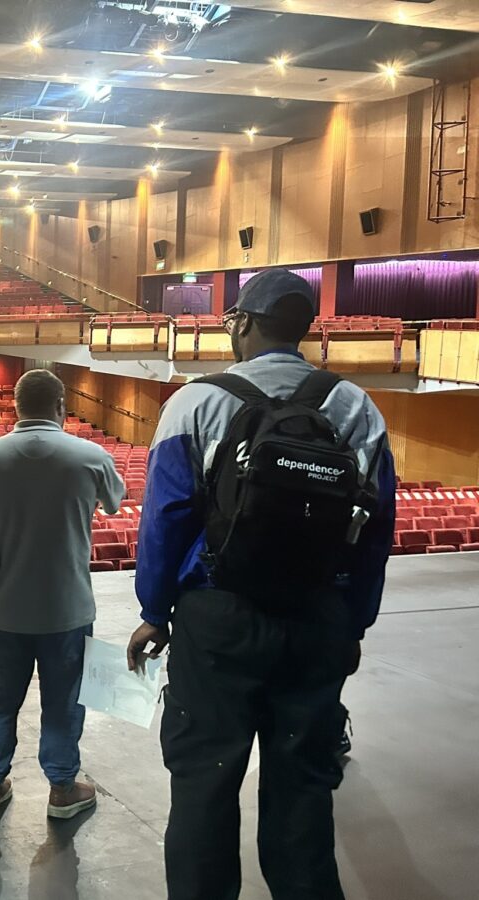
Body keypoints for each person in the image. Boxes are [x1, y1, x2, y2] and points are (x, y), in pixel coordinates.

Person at [127, 269, 396, 900]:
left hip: (218, 621)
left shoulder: (196, 402)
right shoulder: (357, 406)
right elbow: (376, 530)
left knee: (203, 785)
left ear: (242, 323)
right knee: (304, 789)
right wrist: (352, 623)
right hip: (316, 619)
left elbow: (164, 520)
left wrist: (155, 612)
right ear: (303, 330)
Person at [0, 369, 125, 819]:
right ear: (62, 405)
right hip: (68, 608)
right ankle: (63, 789)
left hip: (4, 608)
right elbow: (115, 503)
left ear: (16, 405)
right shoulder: (90, 455)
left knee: (0, 698)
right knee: (64, 701)